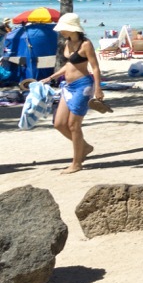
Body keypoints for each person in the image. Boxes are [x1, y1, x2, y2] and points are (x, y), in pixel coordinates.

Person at [42, 13, 102, 173]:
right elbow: (69, 65)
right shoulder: (67, 43)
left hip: (83, 86)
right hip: (67, 87)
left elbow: (95, 67)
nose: (60, 31)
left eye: (63, 28)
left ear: (71, 28)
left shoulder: (86, 44)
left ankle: (77, 163)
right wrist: (50, 77)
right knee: (59, 124)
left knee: (73, 125)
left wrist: (98, 88)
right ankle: (85, 147)